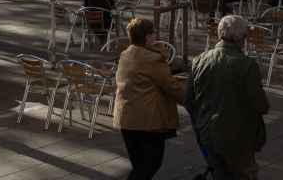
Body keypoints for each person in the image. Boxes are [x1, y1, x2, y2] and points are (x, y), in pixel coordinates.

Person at [186, 15, 269, 179]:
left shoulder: (199, 61)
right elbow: (260, 105)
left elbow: (189, 100)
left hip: (208, 134)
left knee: (220, 174)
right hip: (238, 138)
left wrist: (203, 122)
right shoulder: (246, 65)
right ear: (241, 38)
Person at [113, 18, 185, 180]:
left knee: (139, 165)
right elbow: (170, 85)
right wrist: (190, 101)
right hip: (148, 121)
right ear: (147, 37)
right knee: (151, 164)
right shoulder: (152, 59)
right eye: (153, 34)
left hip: (126, 118)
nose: (155, 37)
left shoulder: (125, 54)